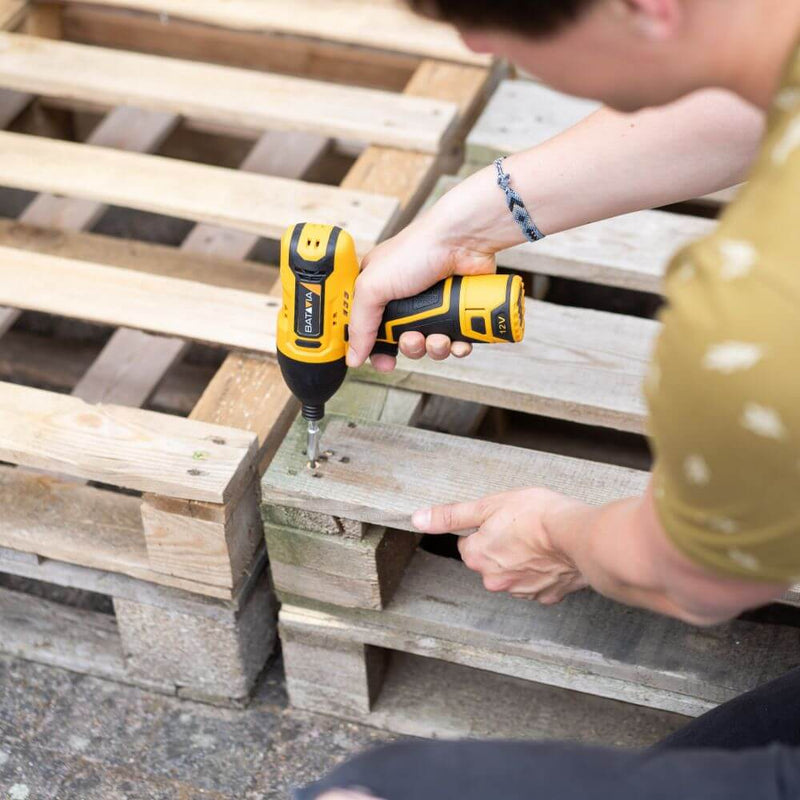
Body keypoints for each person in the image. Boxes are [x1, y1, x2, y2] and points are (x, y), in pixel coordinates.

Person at [297, 0, 800, 797]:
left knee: (370, 793)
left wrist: (557, 535)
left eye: (494, 28)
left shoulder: (755, 313)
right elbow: (748, 97)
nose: (474, 44)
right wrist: (464, 222)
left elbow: (695, 579)